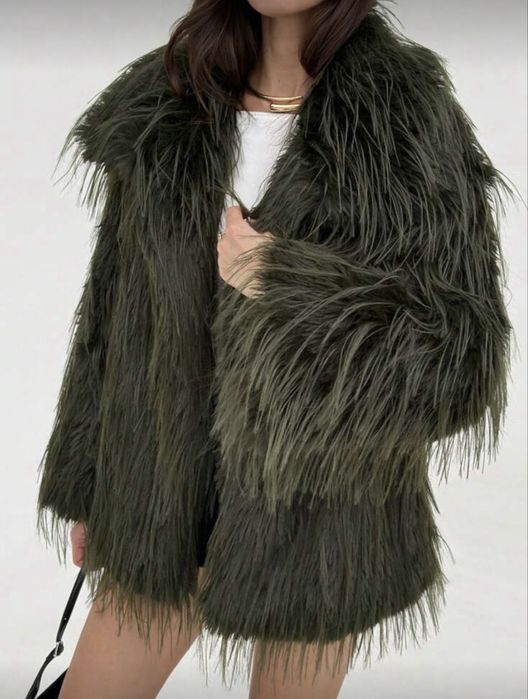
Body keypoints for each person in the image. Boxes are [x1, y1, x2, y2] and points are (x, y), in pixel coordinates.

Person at [35, 1, 514, 698]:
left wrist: (286, 281)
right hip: (164, 495)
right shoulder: (168, 101)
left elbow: (461, 352)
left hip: (323, 511)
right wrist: (88, 482)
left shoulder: (404, 115)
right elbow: (109, 312)